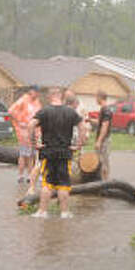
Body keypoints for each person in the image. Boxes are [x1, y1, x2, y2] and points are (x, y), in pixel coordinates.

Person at [29, 87, 82, 218]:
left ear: (50, 96)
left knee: (47, 183)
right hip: (65, 152)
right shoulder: (70, 112)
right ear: (61, 96)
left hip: (48, 152)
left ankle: (42, 212)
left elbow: (30, 125)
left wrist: (34, 143)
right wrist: (78, 145)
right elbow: (83, 127)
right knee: (63, 184)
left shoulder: (44, 111)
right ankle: (64, 213)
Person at [8, 87, 42, 183]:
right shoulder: (23, 100)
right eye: (36, 92)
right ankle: (20, 175)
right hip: (24, 132)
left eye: (38, 93)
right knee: (23, 155)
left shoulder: (37, 102)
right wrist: (20, 122)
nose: (37, 95)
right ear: (31, 92)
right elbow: (11, 111)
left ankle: (30, 175)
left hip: (35, 132)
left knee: (32, 155)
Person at [93, 90, 113, 180]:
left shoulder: (106, 110)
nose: (95, 99)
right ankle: (101, 182)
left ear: (100, 98)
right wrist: (90, 120)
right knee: (100, 161)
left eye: (96, 97)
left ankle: (105, 183)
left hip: (104, 140)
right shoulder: (103, 109)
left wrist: (99, 141)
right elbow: (100, 123)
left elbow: (105, 126)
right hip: (102, 140)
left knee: (104, 162)